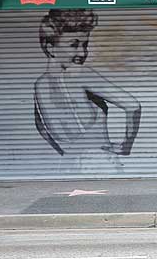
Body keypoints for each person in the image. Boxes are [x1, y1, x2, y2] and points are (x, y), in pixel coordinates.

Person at [34, 9, 141, 172]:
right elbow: (133, 106)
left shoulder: (39, 85)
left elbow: (41, 127)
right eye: (74, 45)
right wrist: (125, 146)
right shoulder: (80, 73)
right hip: (99, 164)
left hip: (66, 166)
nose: (82, 52)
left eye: (85, 44)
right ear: (50, 48)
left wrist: (65, 153)